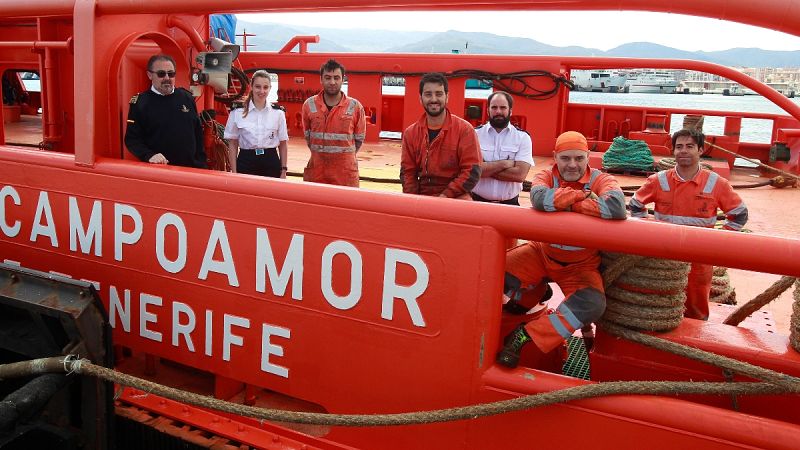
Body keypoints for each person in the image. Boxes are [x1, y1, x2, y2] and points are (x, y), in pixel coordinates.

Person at [496, 131, 627, 368]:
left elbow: (616, 208)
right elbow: (539, 199)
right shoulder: (546, 175)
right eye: (566, 158)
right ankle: (535, 292)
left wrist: (563, 202)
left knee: (593, 304)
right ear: (555, 157)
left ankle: (526, 335)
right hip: (542, 254)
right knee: (494, 272)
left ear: (588, 157)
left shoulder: (601, 179)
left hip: (581, 265)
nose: (572, 165)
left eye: (579, 158)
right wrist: (581, 196)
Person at [629, 128, 748, 320]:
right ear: (673, 151)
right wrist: (648, 234)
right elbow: (635, 204)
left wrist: (718, 242)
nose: (683, 151)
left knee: (696, 307)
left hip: (699, 261)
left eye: (690, 146)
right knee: (659, 304)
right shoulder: (659, 180)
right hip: (663, 257)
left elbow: (739, 214)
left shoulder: (716, 183)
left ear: (700, 150)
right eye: (679, 147)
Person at [400, 72, 482, 198]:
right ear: (420, 98)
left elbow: (471, 172)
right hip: (421, 195)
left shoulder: (465, 130)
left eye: (439, 94)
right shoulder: (410, 133)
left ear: (447, 97)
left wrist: (444, 196)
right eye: (428, 94)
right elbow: (408, 173)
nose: (433, 99)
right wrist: (413, 200)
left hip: (456, 195)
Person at [125, 54, 207, 168]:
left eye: (171, 73)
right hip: (160, 173)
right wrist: (149, 155)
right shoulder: (140, 103)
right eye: (161, 74)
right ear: (149, 75)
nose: (167, 78)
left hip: (190, 170)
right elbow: (132, 140)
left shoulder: (187, 98)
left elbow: (198, 133)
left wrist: (201, 164)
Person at [301, 59, 366, 186]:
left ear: (343, 79)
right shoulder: (309, 105)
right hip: (317, 172)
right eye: (328, 77)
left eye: (336, 78)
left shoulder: (356, 107)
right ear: (321, 79)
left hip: (345, 175)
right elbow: (308, 137)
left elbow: (359, 139)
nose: (332, 82)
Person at [472, 91, 533, 205]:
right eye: (494, 107)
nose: (498, 111)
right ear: (488, 110)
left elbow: (519, 175)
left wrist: (486, 168)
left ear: (510, 111)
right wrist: (504, 164)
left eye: (503, 107)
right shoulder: (474, 134)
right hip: (476, 203)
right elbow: (472, 171)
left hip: (510, 205)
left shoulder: (523, 138)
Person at [224, 70, 289, 178]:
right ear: (251, 87)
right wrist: (234, 172)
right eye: (258, 87)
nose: (262, 91)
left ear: (270, 88)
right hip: (246, 161)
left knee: (270, 194)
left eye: (265, 87)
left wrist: (283, 171)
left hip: (270, 160)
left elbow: (283, 144)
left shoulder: (278, 113)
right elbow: (233, 143)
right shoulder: (237, 112)